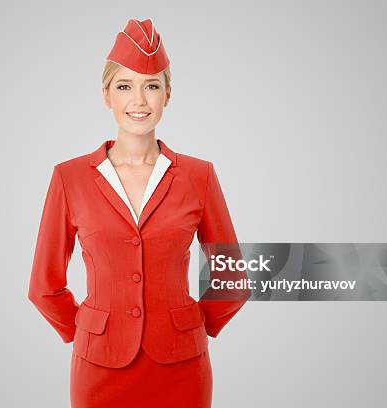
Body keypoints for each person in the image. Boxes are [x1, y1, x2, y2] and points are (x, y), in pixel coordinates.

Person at [28, 18, 249, 408]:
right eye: (124, 86)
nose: (139, 101)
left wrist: (194, 326)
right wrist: (87, 331)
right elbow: (44, 287)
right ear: (106, 95)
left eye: (151, 86)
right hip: (99, 370)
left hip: (182, 368)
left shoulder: (199, 176)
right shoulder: (69, 177)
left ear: (168, 94)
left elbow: (232, 276)